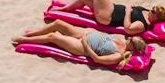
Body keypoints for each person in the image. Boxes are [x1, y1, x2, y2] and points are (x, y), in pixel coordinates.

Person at [10, 20, 147, 67]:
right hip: (83, 34)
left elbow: (97, 59)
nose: (129, 38)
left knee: (54, 36)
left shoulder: (118, 55)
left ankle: (23, 40)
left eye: (131, 40)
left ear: (133, 47)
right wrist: (88, 33)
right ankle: (32, 33)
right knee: (58, 23)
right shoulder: (122, 41)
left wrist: (85, 44)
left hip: (82, 47)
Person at [53, 0, 165, 35]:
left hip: (108, 16)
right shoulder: (147, 13)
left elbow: (128, 29)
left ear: (155, 18)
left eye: (152, 11)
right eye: (152, 8)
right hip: (110, 9)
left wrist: (128, 12)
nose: (150, 10)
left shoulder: (143, 25)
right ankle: (64, 10)